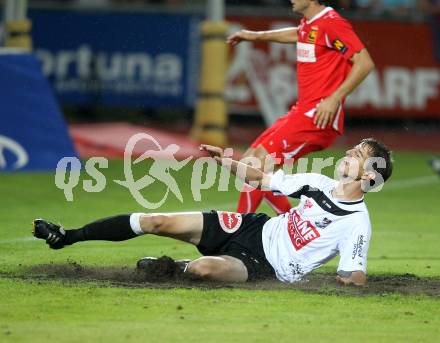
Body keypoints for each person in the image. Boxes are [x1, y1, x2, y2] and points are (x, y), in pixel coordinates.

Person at [33, 138, 392, 286]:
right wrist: (227, 161)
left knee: (203, 269)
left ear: (369, 175)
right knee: (156, 219)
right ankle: (67, 236)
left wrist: (340, 282)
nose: (349, 154)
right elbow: (262, 179)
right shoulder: (316, 181)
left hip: (266, 267)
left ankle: (167, 268)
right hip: (252, 229)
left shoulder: (357, 223)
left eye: (358, 155)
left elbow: (354, 273)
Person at [227, 0, 375, 214]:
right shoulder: (310, 23)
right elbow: (298, 33)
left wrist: (335, 98)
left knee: (256, 167)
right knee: (251, 162)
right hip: (302, 110)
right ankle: (288, 223)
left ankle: (236, 234)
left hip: (318, 117)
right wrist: (254, 36)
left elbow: (365, 63)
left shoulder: (332, 24)